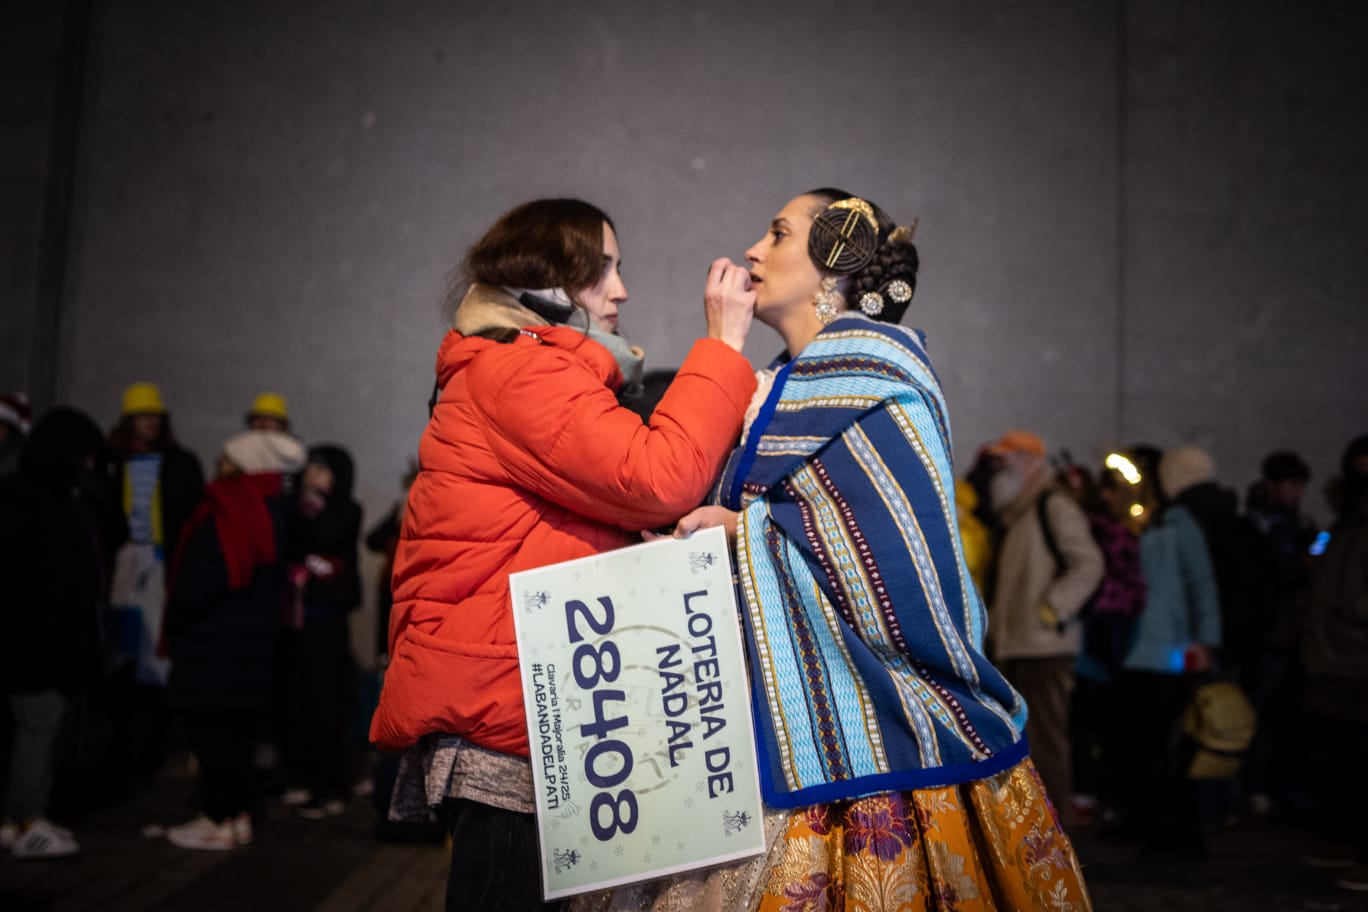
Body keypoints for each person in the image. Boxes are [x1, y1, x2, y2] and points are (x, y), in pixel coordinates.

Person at [576, 191, 1092, 910]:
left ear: (835, 266)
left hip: (870, 733)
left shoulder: (880, 379)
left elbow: (897, 557)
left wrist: (741, 533)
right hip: (751, 720)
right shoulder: (772, 388)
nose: (753, 250)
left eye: (777, 233)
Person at [368, 197, 757, 910]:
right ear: (547, 285)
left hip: (523, 706)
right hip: (509, 721)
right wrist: (724, 347)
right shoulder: (521, 373)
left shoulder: (515, 369)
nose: (621, 290)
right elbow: (656, 478)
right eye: (602, 270)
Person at [162, 429, 307, 851]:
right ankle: (237, 816)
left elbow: (203, 579)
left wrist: (177, 619)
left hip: (214, 643)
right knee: (235, 738)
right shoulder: (271, 507)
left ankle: (218, 818)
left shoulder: (228, 508)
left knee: (213, 737)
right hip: (248, 645)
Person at [0, 407, 126, 859]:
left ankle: (17, 819)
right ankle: (29, 819)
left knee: (26, 728)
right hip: (41, 641)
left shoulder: (27, 493)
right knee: (39, 727)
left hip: (29, 637)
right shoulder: (51, 503)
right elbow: (68, 576)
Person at [982, 429, 1104, 811]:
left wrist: (1052, 608)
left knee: (1046, 742)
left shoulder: (1052, 505)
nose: (998, 467)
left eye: (1007, 458)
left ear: (1031, 461)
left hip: (1043, 646)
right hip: (1020, 643)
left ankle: (1056, 838)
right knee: (1026, 743)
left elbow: (1089, 563)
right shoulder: (1020, 512)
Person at [1112, 444, 1223, 860]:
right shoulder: (1151, 524)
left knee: (1169, 747)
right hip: (1140, 652)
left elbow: (1201, 585)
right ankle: (1149, 825)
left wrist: (1204, 642)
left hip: (1168, 654)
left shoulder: (1179, 524)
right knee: (1143, 747)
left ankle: (1178, 833)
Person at [104, 383, 206, 794]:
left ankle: (152, 743)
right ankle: (122, 740)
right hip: (124, 562)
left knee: (155, 656)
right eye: (143, 416)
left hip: (162, 564)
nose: (149, 422)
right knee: (120, 650)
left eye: (155, 416)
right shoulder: (114, 462)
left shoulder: (178, 463)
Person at [1298, 434, 1368, 892]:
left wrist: (1351, 611)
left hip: (1357, 656)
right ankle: (1345, 840)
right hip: (1331, 658)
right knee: (1339, 760)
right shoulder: (1346, 523)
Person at [280, 444, 363, 819]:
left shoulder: (345, 510)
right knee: (297, 700)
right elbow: (289, 543)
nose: (312, 475)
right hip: (297, 618)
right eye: (310, 468)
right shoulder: (295, 508)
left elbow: (325, 536)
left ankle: (331, 787)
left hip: (328, 618)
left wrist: (310, 510)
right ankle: (301, 777)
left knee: (327, 701)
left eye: (321, 470)